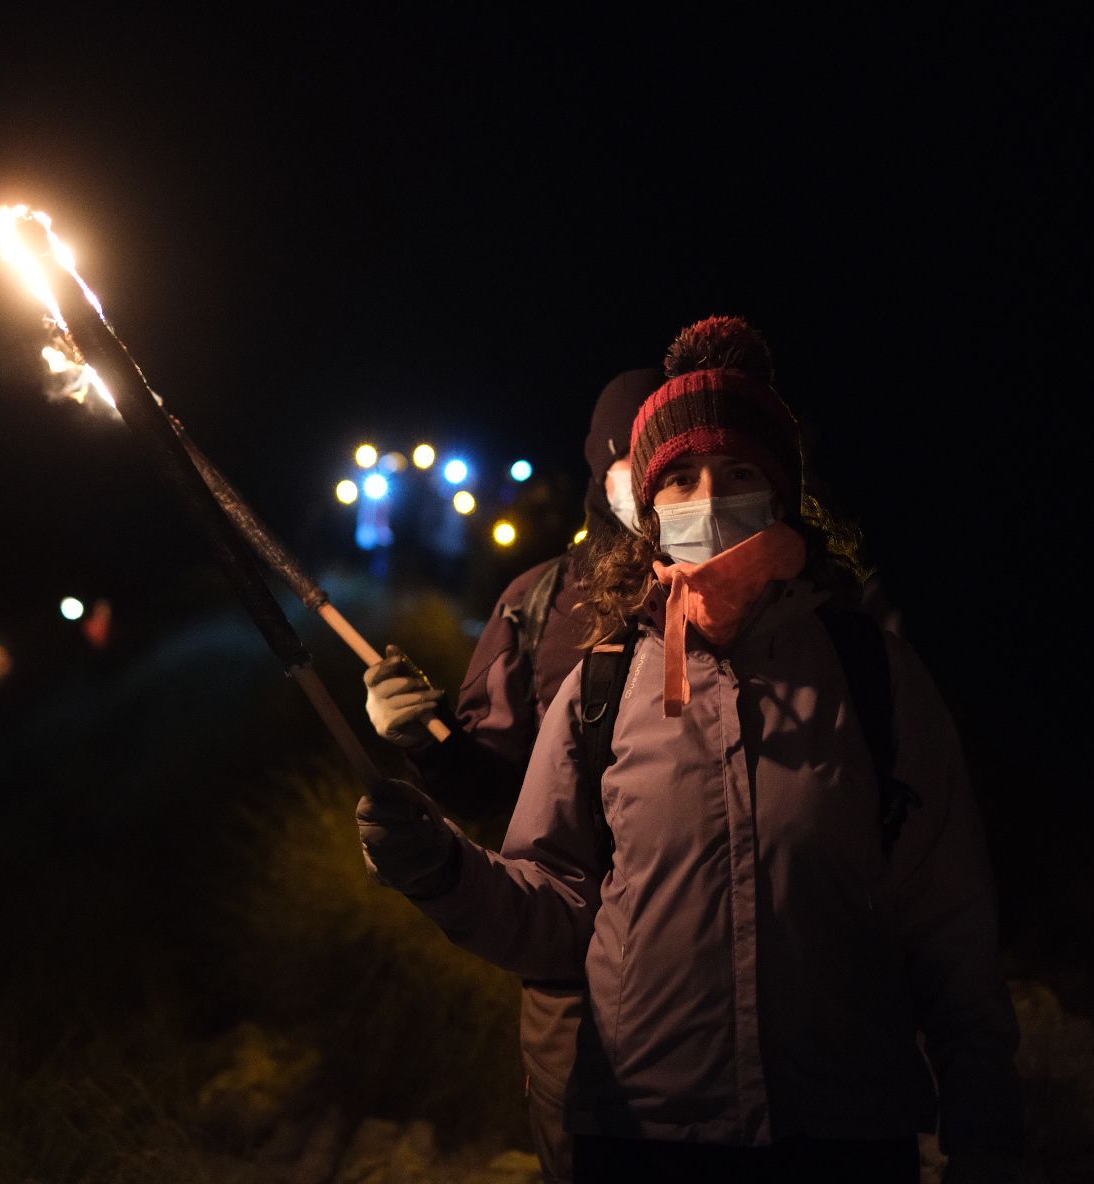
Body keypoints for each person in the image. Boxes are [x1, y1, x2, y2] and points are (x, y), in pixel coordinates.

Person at [358, 316, 1022, 1183]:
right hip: (640, 1136)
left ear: (783, 494)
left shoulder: (875, 675)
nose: (709, 499)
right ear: (646, 510)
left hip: (846, 1135)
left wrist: (986, 1127)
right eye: (681, 480)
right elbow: (559, 910)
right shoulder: (602, 689)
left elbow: (949, 922)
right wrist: (441, 871)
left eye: (739, 473)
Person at [363, 367, 660, 1183]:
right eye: (640, 464)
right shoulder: (539, 602)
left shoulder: (756, 598)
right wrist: (421, 741)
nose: (671, 487)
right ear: (603, 473)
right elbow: (489, 786)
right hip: (577, 985)